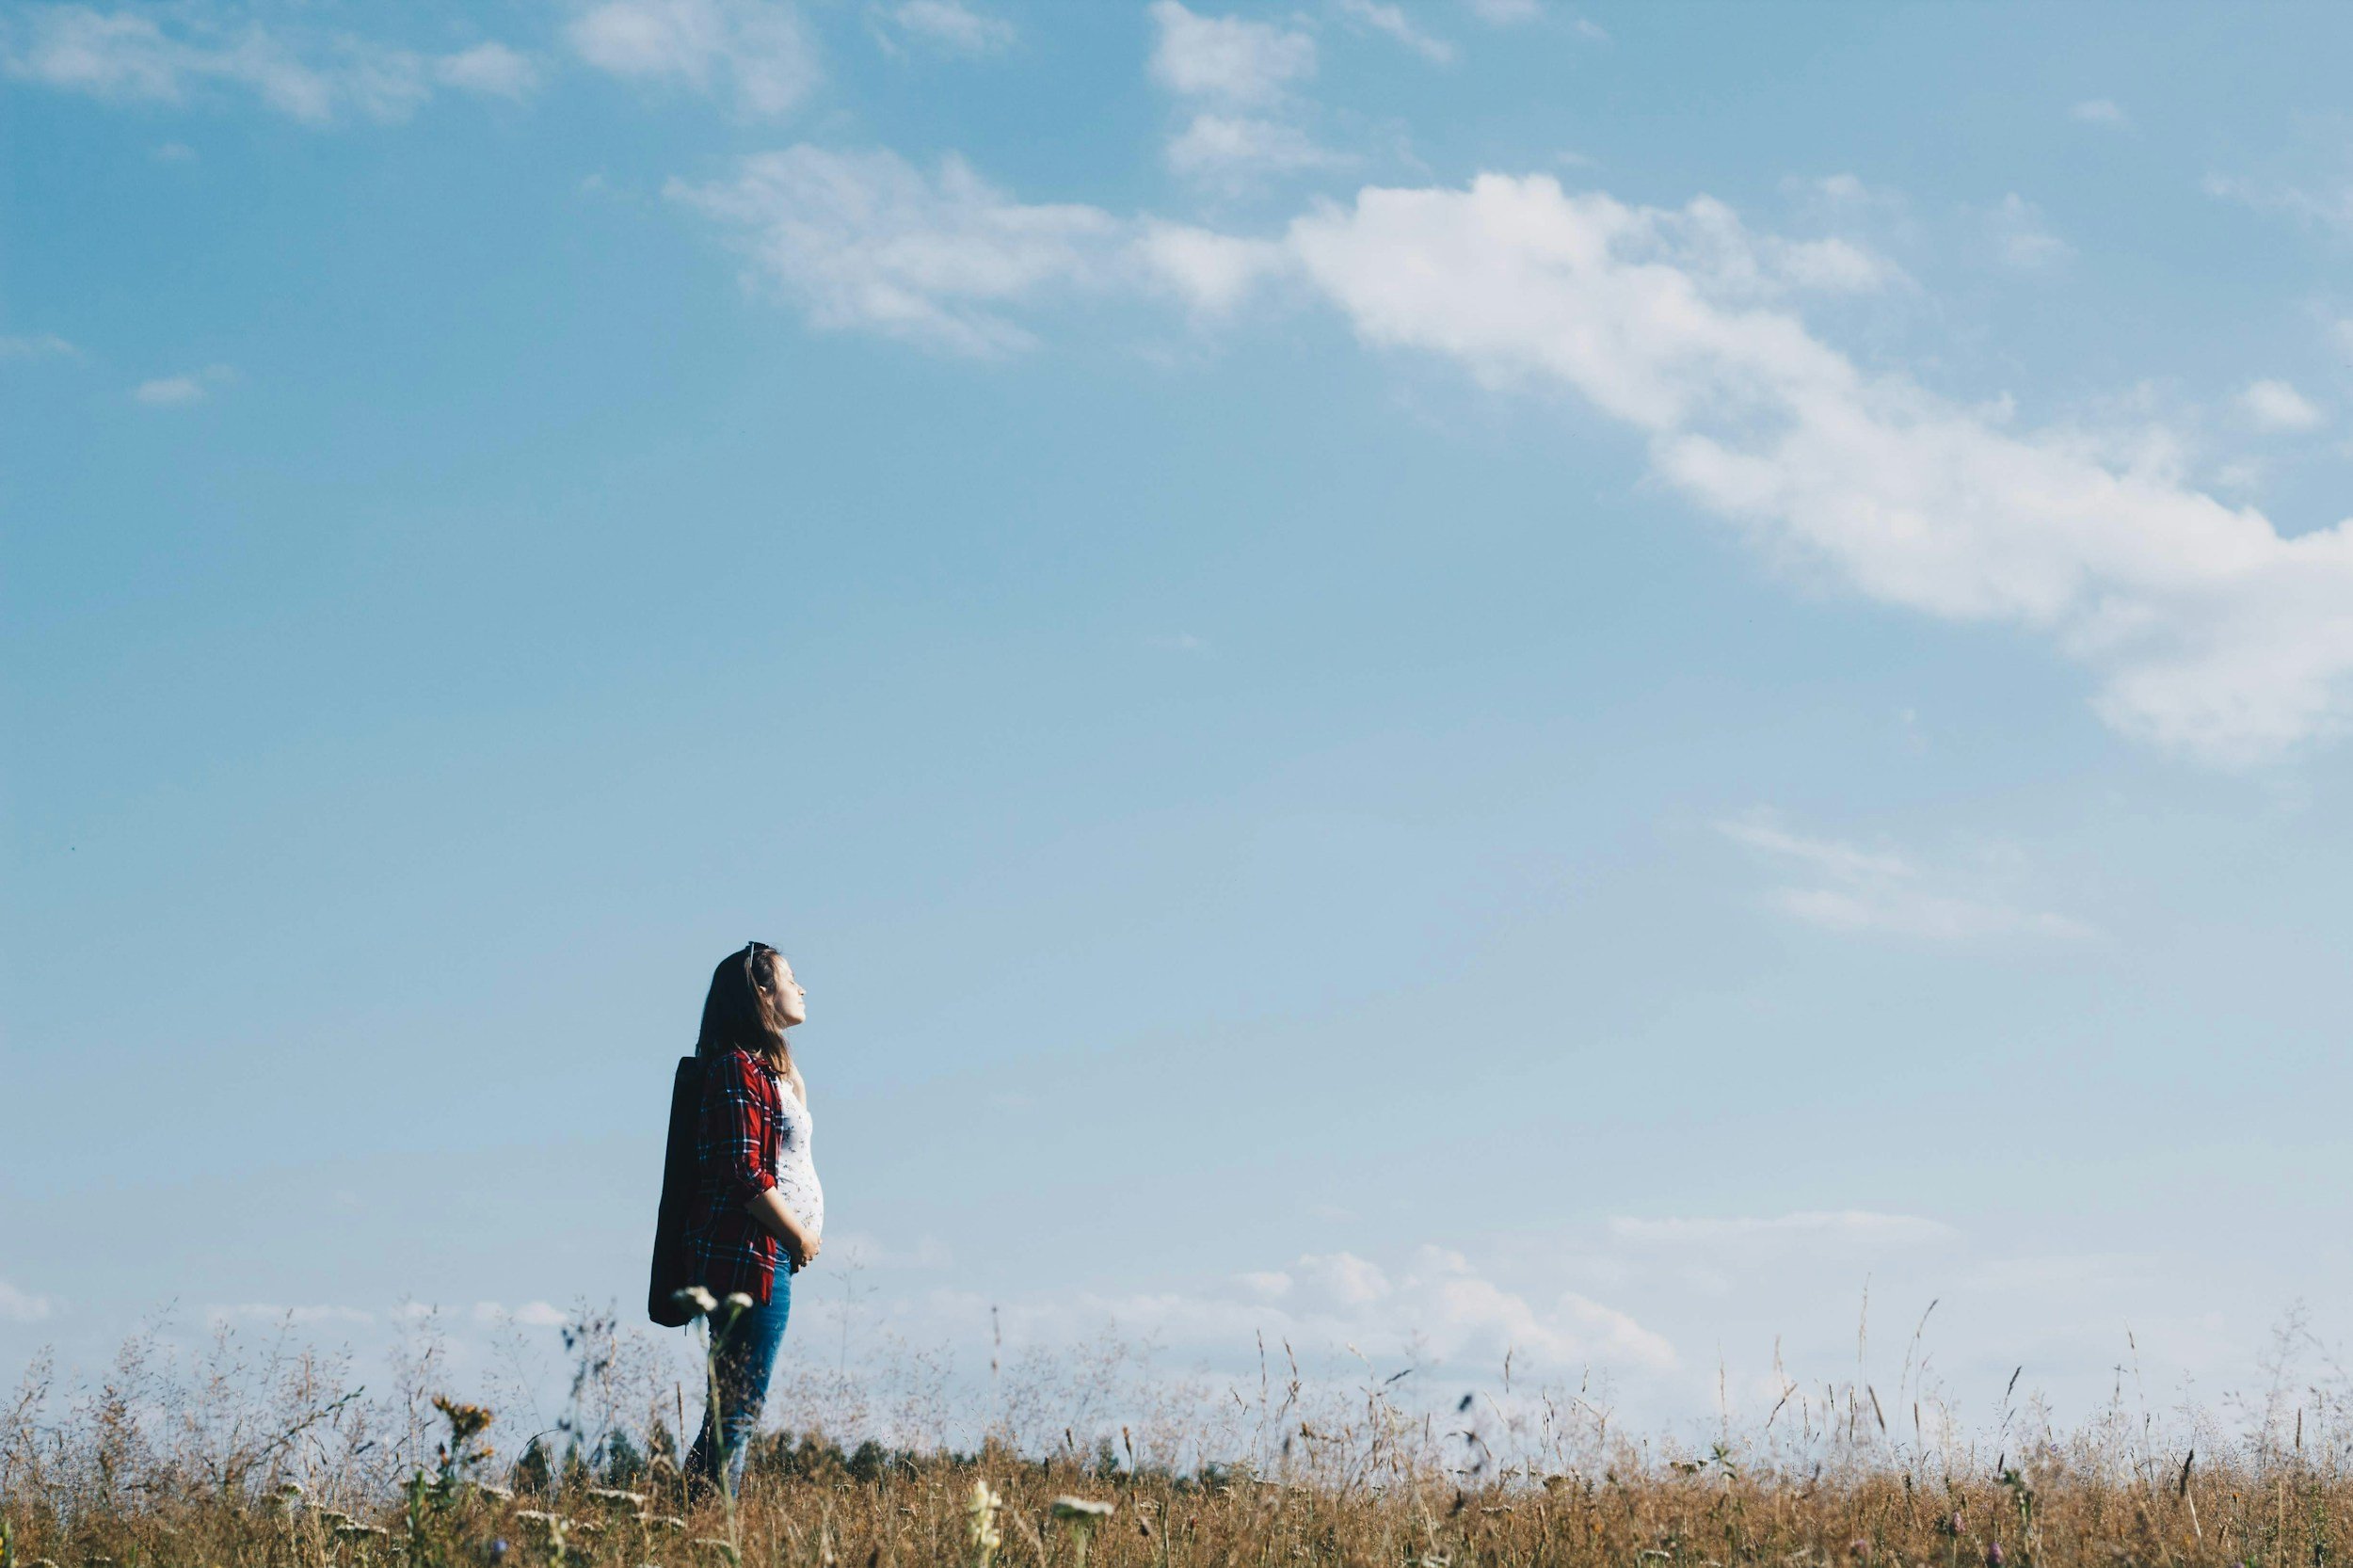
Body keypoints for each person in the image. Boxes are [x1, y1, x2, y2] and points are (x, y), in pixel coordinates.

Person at [680, 941, 822, 1496]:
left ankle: (699, 1527)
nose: (802, 988)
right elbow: (743, 1172)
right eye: (790, 978)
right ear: (762, 992)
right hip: (751, 1259)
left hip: (768, 1257)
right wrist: (799, 1236)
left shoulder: (765, 1070)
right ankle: (707, 1528)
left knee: (735, 1412)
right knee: (736, 1414)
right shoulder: (736, 1069)